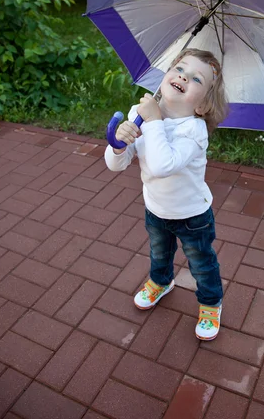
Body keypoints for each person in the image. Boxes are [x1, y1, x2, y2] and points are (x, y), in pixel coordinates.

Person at [104, 48, 228, 340]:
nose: (184, 77)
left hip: (192, 215)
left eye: (196, 79)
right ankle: (162, 282)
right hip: (156, 208)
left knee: (202, 263)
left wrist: (154, 121)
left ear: (203, 105)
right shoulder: (140, 114)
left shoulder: (194, 130)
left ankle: (211, 303)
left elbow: (162, 165)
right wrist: (119, 144)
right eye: (180, 69)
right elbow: (115, 165)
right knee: (159, 253)